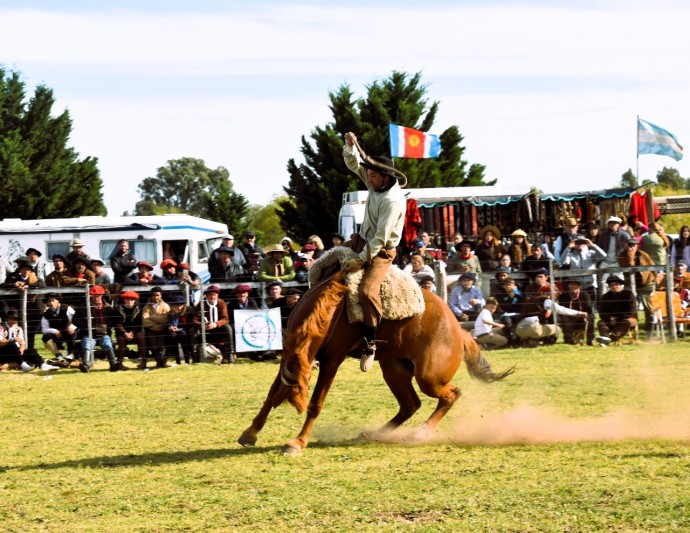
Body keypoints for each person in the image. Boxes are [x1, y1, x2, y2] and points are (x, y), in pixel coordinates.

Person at [343, 131, 406, 372]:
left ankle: (370, 343)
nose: (367, 178)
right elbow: (353, 163)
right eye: (367, 174)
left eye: (371, 174)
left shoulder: (393, 201)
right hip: (361, 241)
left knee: (367, 291)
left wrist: (360, 260)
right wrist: (349, 146)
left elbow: (380, 238)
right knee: (324, 267)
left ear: (384, 177)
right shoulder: (375, 181)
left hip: (380, 252)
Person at [73, 285, 122, 372]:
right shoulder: (82, 308)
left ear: (102, 296)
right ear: (90, 296)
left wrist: (107, 327)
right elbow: (75, 321)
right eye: (94, 295)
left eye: (98, 295)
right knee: (87, 344)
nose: (96, 298)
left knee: (107, 344)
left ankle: (113, 364)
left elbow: (114, 320)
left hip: (104, 333)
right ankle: (86, 364)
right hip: (89, 333)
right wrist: (87, 327)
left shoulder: (108, 308)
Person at [618, 237, 656, 337]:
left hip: (646, 283)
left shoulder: (643, 254)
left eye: (634, 245)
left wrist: (654, 278)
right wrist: (630, 254)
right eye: (630, 245)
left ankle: (649, 330)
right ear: (626, 246)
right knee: (632, 308)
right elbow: (630, 266)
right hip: (631, 284)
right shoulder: (622, 256)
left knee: (648, 307)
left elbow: (653, 265)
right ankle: (634, 330)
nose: (632, 247)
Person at [192, 285, 234, 364]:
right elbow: (194, 320)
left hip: (218, 327)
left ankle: (230, 354)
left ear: (217, 295)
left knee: (228, 328)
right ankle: (195, 357)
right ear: (206, 296)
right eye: (210, 295)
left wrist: (216, 324)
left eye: (214, 294)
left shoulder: (221, 303)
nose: (212, 297)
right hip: (204, 327)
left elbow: (225, 318)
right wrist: (202, 325)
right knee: (192, 330)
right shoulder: (201, 304)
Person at [559, 236, 605, 305]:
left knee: (591, 306)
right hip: (577, 286)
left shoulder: (591, 253)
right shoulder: (571, 255)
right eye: (577, 242)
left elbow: (603, 255)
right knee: (580, 305)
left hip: (590, 285)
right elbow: (563, 261)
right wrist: (568, 248)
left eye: (582, 242)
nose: (580, 244)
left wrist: (592, 245)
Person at [596, 275, 638, 346]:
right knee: (601, 322)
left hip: (626, 318)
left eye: (616, 284)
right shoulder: (605, 297)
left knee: (627, 322)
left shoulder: (629, 294)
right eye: (611, 285)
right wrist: (609, 318)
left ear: (620, 285)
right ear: (609, 286)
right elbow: (601, 311)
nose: (614, 286)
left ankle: (610, 339)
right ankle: (604, 338)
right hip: (610, 320)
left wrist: (618, 318)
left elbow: (632, 310)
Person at [41, 292, 78, 366]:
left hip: (69, 331)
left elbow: (76, 319)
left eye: (53, 300)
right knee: (45, 337)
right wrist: (54, 331)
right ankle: (59, 356)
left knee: (71, 331)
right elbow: (44, 329)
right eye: (49, 301)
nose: (51, 303)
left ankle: (69, 355)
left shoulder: (67, 308)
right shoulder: (46, 314)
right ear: (47, 303)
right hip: (58, 334)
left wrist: (72, 327)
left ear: (58, 300)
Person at [113, 290, 146, 368]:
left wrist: (132, 332)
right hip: (122, 331)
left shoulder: (139, 309)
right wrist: (125, 333)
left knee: (141, 338)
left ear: (135, 300)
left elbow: (139, 323)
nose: (130, 301)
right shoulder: (118, 309)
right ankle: (119, 363)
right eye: (128, 299)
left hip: (135, 330)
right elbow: (117, 324)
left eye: (132, 299)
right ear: (124, 299)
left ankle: (144, 362)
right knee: (121, 341)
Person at [141, 286, 171, 368]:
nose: (155, 297)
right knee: (153, 347)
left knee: (162, 347)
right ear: (151, 296)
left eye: (157, 295)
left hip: (163, 330)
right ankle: (158, 362)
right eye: (153, 295)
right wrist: (158, 321)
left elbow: (166, 319)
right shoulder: (146, 307)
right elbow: (145, 322)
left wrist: (151, 317)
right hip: (151, 330)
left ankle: (163, 362)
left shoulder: (165, 306)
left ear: (161, 296)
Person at [557, 278, 594, 345]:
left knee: (590, 318)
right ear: (568, 285)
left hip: (582, 316)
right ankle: (568, 340)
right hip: (569, 316)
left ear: (579, 286)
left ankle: (589, 340)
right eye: (571, 284)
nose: (573, 286)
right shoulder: (563, 295)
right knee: (565, 319)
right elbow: (562, 309)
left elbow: (588, 308)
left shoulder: (584, 294)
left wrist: (584, 314)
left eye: (575, 284)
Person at [598, 215, 632, 286]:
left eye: (615, 223)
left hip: (618, 262)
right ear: (608, 224)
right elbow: (599, 248)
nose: (613, 224)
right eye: (611, 223)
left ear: (619, 225)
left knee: (619, 281)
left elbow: (631, 248)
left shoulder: (625, 235)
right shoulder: (602, 235)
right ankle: (605, 296)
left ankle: (620, 296)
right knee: (604, 282)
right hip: (605, 261)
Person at [166, 293, 193, 365]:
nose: (178, 307)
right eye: (176, 305)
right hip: (175, 330)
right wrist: (170, 327)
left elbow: (190, 324)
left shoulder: (189, 310)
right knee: (172, 336)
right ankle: (177, 361)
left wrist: (180, 329)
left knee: (184, 337)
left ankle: (187, 360)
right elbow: (169, 323)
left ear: (183, 304)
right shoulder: (171, 313)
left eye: (180, 305)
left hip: (185, 330)